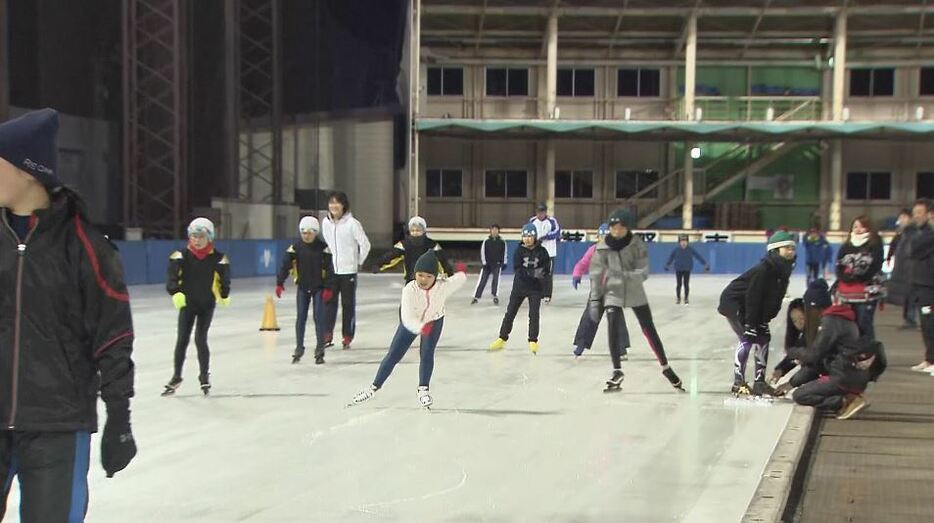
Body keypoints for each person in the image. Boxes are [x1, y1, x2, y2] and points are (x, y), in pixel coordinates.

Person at [0, 108, 136, 520]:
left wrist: (119, 417)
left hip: (57, 424)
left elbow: (113, 336)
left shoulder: (85, 246)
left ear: (27, 170)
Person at [349, 252, 467, 408]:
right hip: (413, 322)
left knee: (427, 353)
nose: (423, 280)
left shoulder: (443, 286)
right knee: (394, 354)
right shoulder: (409, 290)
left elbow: (458, 280)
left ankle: (423, 389)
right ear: (415, 274)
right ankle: (373, 388)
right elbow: (407, 317)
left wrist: (461, 272)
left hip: (435, 319)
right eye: (420, 275)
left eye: (428, 276)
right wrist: (421, 327)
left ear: (435, 277)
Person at [588, 210, 683, 392]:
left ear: (626, 228)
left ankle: (665, 367)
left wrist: (625, 276)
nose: (616, 231)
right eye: (613, 228)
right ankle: (617, 371)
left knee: (649, 328)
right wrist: (595, 299)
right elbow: (595, 273)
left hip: (634, 291)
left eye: (620, 228)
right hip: (612, 293)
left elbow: (643, 271)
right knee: (613, 328)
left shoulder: (637, 245)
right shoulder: (602, 247)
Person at [719, 231, 796, 396]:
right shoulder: (764, 269)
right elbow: (753, 296)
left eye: (792, 248)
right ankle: (738, 382)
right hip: (735, 303)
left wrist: (765, 319)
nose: (791, 251)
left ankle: (759, 382)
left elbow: (774, 298)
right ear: (775, 250)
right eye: (787, 248)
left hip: (752, 306)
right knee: (748, 337)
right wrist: (751, 323)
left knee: (764, 338)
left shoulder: (783, 270)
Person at [163, 218, 231, 396]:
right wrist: (175, 292)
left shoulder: (219, 258)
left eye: (200, 236)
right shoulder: (180, 256)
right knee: (182, 340)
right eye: (193, 236)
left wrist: (224, 294)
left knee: (201, 339)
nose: (197, 240)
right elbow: (171, 277)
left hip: (207, 305)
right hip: (188, 304)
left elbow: (225, 278)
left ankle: (204, 376)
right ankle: (177, 376)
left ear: (209, 237)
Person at [276, 216, 336, 364]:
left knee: (319, 318)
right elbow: (285, 265)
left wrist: (329, 287)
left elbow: (330, 270)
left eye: (309, 232)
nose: (306, 235)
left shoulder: (323, 248)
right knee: (301, 318)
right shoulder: (295, 248)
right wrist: (280, 282)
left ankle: (320, 349)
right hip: (303, 287)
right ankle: (299, 347)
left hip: (319, 288)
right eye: (303, 232)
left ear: (315, 232)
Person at [489, 223, 551, 354]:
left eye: (530, 236)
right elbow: (518, 269)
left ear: (535, 237)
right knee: (510, 313)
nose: (527, 238)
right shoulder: (518, 251)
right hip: (519, 287)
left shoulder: (542, 251)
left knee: (534, 315)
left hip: (535, 289)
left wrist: (538, 276)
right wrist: (533, 273)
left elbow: (546, 269)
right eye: (525, 236)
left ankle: (533, 340)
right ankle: (502, 338)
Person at [320, 191, 371, 349]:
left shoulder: (352, 224)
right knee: (329, 302)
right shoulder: (326, 223)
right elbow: (329, 244)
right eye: (331, 203)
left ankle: (347, 335)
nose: (334, 206)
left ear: (343, 205)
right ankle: (327, 333)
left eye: (337, 203)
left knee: (348, 304)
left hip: (348, 271)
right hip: (333, 270)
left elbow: (365, 244)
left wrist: (358, 262)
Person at [792, 337, 883, 420]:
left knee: (800, 395)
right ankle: (851, 395)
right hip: (856, 378)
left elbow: (812, 369)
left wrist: (792, 383)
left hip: (841, 378)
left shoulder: (821, 337)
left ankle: (844, 402)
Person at [570, 223, 623, 358]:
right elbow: (582, 264)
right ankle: (581, 343)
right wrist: (577, 274)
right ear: (598, 237)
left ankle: (621, 349)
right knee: (589, 316)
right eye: (602, 236)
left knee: (615, 319)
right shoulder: (593, 250)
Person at [835, 216, 884, 341]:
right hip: (847, 293)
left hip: (867, 292)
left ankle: (869, 354)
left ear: (868, 228)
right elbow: (839, 264)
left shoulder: (875, 243)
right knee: (851, 325)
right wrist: (844, 277)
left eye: (861, 226)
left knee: (864, 324)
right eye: (855, 226)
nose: (858, 229)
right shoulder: (847, 245)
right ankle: (855, 353)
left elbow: (875, 265)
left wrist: (858, 277)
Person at [374, 216, 453, 283]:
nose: (415, 232)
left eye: (418, 230)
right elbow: (391, 255)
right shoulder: (405, 244)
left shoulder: (432, 245)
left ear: (424, 231)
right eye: (412, 230)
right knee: (408, 300)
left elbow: (442, 260)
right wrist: (378, 265)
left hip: (429, 280)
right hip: (411, 280)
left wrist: (449, 273)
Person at [909, 207, 934, 373]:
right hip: (921, 284)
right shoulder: (921, 233)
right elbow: (914, 250)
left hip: (930, 285)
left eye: (920, 212)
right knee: (926, 323)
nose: (916, 216)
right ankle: (929, 359)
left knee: (931, 323)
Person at [664, 233, 710, 305]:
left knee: (686, 284)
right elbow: (671, 258)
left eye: (685, 241)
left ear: (687, 242)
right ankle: (678, 298)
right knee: (679, 284)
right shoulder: (676, 250)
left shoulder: (690, 249)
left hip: (687, 269)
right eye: (682, 241)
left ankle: (686, 298)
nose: (683, 243)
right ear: (679, 242)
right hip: (678, 269)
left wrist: (705, 264)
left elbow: (698, 256)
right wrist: (667, 265)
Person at [529, 202, 560, 303]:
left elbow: (557, 232)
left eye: (542, 212)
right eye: (538, 212)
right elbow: (528, 232)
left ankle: (547, 294)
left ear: (545, 212)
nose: (540, 214)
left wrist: (545, 237)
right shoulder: (532, 221)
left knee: (548, 274)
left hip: (549, 252)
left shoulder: (552, 221)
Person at [472, 224, 507, 305]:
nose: (494, 231)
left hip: (497, 265)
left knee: (496, 280)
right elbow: (482, 252)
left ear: (498, 231)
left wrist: (504, 262)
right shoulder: (486, 241)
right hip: (487, 265)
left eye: (496, 229)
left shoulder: (502, 241)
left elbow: (504, 252)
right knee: (482, 280)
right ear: (490, 231)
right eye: (493, 229)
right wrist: (484, 262)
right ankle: (476, 297)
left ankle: (495, 296)